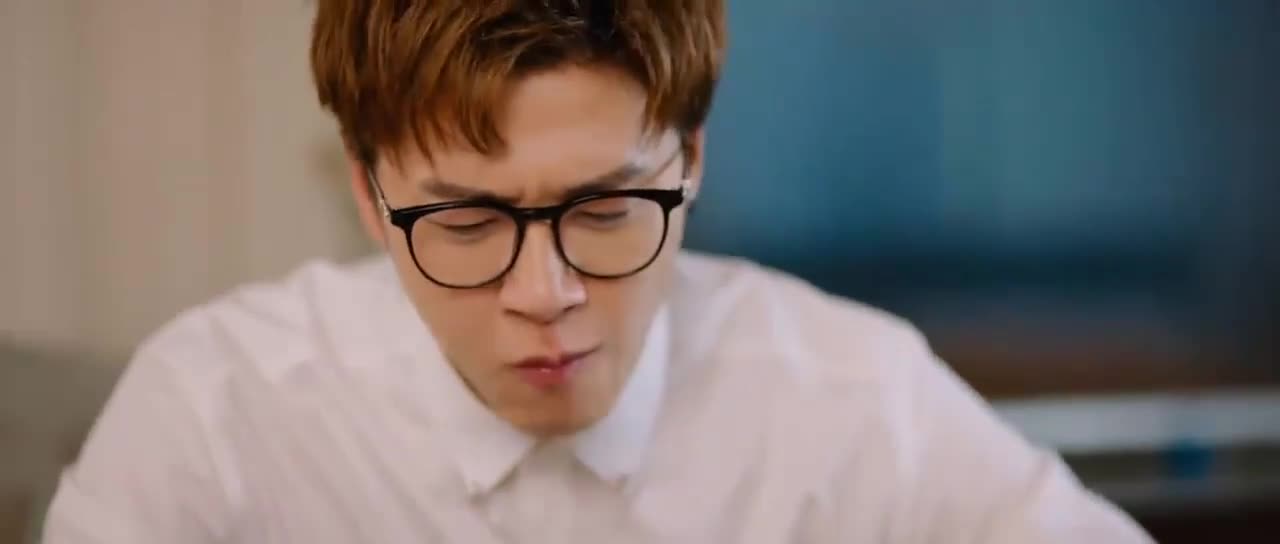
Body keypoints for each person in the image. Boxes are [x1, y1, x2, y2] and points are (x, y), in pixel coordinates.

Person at [43, 1, 1153, 542]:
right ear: (369, 196)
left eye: (607, 209)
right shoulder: (216, 420)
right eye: (466, 221)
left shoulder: (855, 403)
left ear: (693, 160)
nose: (545, 295)